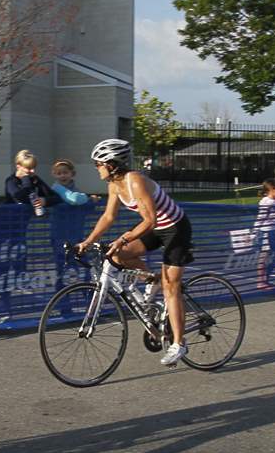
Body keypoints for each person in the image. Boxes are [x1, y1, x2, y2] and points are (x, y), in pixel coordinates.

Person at [77, 138, 194, 366]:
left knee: (172, 287)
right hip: (156, 228)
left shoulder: (136, 181)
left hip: (175, 228)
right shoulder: (114, 185)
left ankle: (179, 343)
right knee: (116, 255)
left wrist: (123, 238)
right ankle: (153, 280)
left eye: (98, 163)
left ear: (112, 164)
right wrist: (88, 241)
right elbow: (108, 217)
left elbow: (149, 220)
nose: (96, 168)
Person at [48, 159, 97, 294]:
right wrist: (88, 199)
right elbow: (74, 200)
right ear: (54, 174)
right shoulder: (55, 189)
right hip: (60, 237)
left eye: (65, 172)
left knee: (84, 268)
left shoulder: (76, 189)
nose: (62, 175)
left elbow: (84, 207)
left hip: (77, 235)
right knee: (63, 271)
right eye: (59, 173)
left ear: (72, 174)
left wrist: (91, 202)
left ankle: (88, 300)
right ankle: (65, 306)